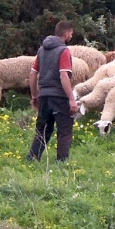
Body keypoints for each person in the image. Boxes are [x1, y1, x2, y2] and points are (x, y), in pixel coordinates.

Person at [27, 20, 79, 162]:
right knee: (64, 130)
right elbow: (63, 75)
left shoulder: (42, 50)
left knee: (42, 129)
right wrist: (71, 99)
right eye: (71, 34)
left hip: (44, 95)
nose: (72, 36)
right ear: (66, 34)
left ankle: (32, 159)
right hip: (59, 97)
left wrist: (34, 95)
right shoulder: (64, 51)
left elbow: (32, 74)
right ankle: (62, 162)